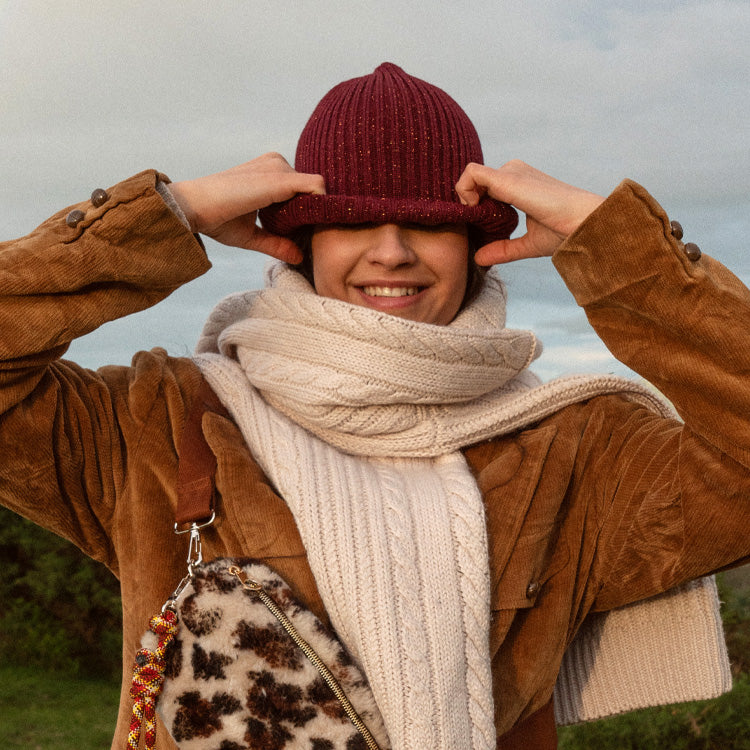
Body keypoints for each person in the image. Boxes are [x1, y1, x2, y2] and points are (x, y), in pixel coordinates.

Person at [1, 61, 749, 750]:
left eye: (426, 221)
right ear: (300, 240)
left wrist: (617, 244)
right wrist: (169, 212)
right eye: (354, 220)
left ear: (472, 241)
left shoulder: (575, 448)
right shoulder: (160, 420)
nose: (390, 252)